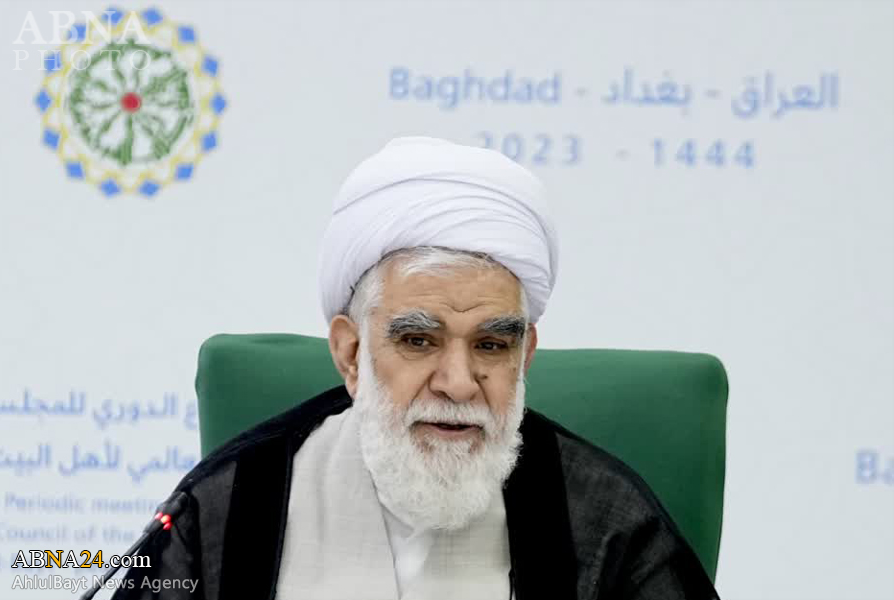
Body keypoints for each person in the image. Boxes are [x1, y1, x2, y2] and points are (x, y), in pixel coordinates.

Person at [115, 137, 720, 599]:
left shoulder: (606, 523)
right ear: (350, 353)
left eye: (491, 346)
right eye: (418, 341)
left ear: (525, 355)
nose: (457, 384)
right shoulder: (231, 504)